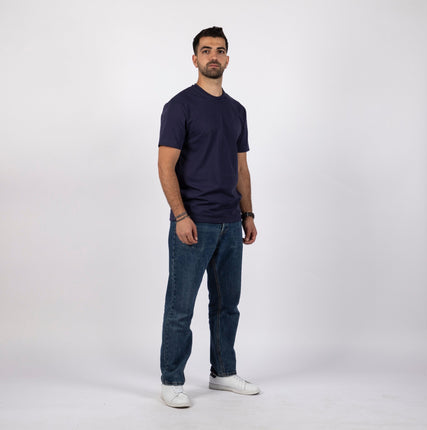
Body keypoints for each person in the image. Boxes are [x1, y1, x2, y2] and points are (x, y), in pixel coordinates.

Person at [157, 26, 259, 408]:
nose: (213, 56)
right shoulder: (179, 106)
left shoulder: (237, 110)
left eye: (219, 50)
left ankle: (224, 373)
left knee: (227, 305)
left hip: (231, 223)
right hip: (193, 222)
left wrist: (247, 213)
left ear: (227, 59)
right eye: (206, 50)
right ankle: (171, 381)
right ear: (195, 58)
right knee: (180, 307)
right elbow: (165, 166)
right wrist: (180, 215)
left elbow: (241, 168)